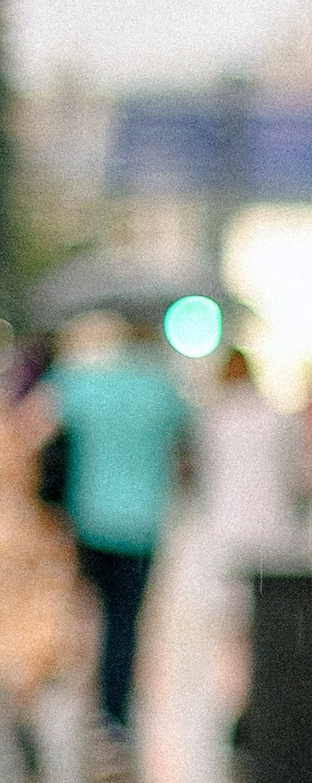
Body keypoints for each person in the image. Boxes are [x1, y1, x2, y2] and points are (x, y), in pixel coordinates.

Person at [45, 312, 194, 758]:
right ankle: (114, 714)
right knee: (125, 620)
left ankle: (86, 696)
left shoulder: (79, 381)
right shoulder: (162, 385)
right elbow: (184, 443)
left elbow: (37, 427)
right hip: (143, 521)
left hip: (87, 517)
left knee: (87, 612)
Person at [0, 335, 86, 778]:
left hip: (14, 536)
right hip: (20, 534)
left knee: (14, 626)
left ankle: (20, 698)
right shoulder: (23, 423)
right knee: (24, 629)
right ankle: (24, 698)